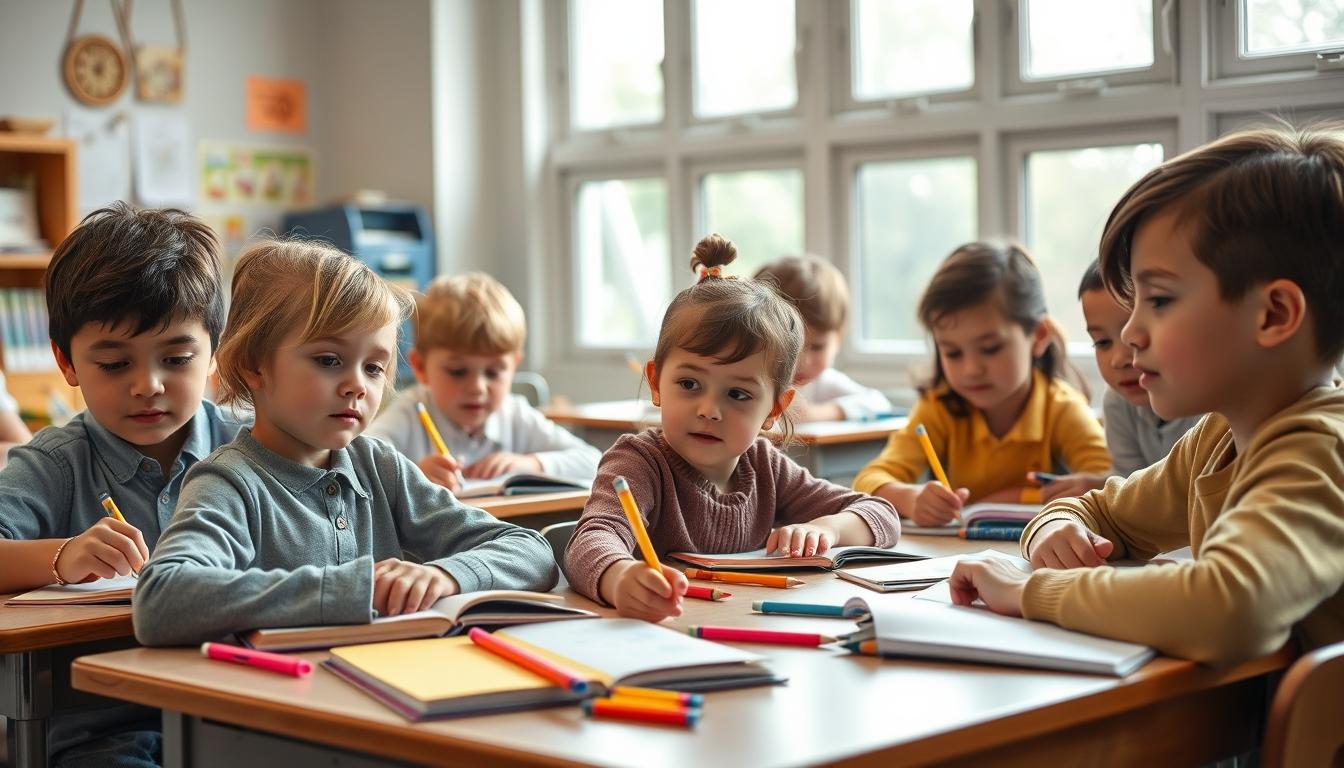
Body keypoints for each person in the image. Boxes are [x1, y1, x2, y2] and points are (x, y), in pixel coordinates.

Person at [949, 126, 1344, 665]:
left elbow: (1229, 607)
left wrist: (1027, 593)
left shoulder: (1318, 451)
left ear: (1273, 315)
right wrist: (1056, 528)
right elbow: (1099, 512)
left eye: (1158, 300)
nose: (1132, 334)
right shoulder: (1217, 439)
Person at [134, 240, 557, 646]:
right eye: (329, 361)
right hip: (284, 704)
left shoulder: (378, 466)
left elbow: (532, 553)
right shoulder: (228, 484)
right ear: (253, 366)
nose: (357, 384)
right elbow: (162, 600)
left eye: (374, 367)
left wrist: (447, 575)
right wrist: (355, 589)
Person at [564, 235, 901, 622]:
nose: (709, 410)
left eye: (738, 394)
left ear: (775, 409)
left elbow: (881, 513)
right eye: (689, 384)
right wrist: (620, 577)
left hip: (745, 628)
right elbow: (589, 541)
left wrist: (828, 529)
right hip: (663, 635)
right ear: (656, 383)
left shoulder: (765, 466)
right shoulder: (639, 462)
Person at [853, 241, 1110, 525]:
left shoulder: (1061, 407)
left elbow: (1106, 482)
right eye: (952, 352)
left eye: (990, 348)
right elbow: (867, 479)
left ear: (1038, 336)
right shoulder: (939, 407)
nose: (971, 369)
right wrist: (911, 498)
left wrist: (1002, 500)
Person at [367, 272, 599, 489]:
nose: (477, 388)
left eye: (494, 372)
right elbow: (359, 464)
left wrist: (531, 464)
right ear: (420, 367)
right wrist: (413, 475)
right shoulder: (410, 412)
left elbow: (593, 461)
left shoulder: (515, 415)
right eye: (458, 371)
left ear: (514, 366)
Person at [754, 254, 892, 421]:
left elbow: (878, 403)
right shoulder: (748, 381)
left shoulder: (823, 384)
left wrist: (816, 413)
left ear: (838, 340)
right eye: (789, 347)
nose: (802, 361)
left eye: (817, 347)